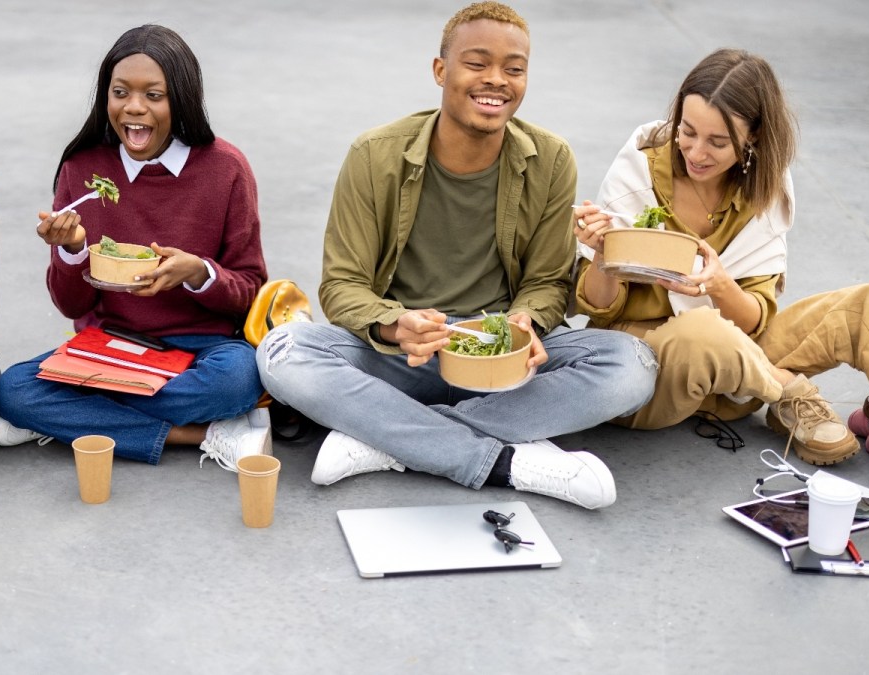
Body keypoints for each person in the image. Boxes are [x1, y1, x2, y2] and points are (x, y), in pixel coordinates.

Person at [255, 2, 657, 509]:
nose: (496, 80)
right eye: (477, 63)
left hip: (505, 363)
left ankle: (387, 441)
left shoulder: (551, 159)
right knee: (284, 350)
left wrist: (523, 324)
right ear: (441, 71)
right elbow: (342, 286)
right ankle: (507, 462)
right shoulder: (374, 155)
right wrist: (395, 323)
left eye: (514, 69)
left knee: (633, 363)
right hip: (403, 355)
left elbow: (549, 281)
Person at [573, 48, 869, 465]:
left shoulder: (764, 186)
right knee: (703, 330)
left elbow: (756, 321)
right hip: (649, 371)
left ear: (752, 136)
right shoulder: (640, 173)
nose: (696, 153)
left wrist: (719, 286)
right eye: (687, 131)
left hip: (738, 368)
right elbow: (601, 315)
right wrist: (604, 254)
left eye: (718, 142)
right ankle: (790, 393)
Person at [0, 25, 270, 470]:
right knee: (14, 389)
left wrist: (199, 273)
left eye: (154, 95)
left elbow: (250, 288)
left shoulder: (225, 168)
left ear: (182, 99)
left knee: (238, 380)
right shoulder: (82, 168)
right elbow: (69, 304)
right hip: (112, 344)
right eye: (120, 92)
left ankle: (72, 421)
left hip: (205, 350)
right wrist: (73, 250)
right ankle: (199, 434)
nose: (134, 108)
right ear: (106, 98)